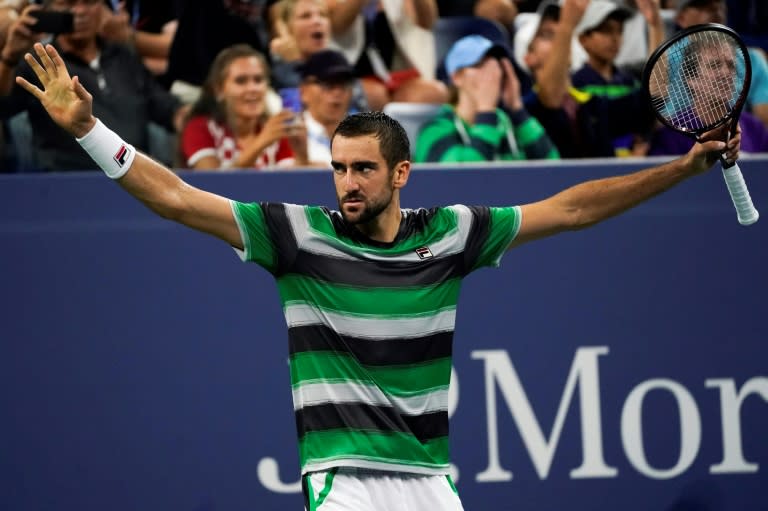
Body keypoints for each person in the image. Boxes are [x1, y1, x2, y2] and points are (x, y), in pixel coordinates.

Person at [17, 41, 740, 511]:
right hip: (342, 480)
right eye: (337, 168)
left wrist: (680, 168)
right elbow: (174, 196)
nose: (346, 183)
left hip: (432, 481)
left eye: (363, 169)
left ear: (400, 172)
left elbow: (575, 207)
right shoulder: (293, 233)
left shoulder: (454, 232)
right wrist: (88, 129)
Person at [0, 0, 183, 171]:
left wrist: (199, 117)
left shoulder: (124, 57)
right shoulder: (39, 62)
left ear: (103, 7)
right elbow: (3, 105)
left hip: (133, 179)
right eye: (69, 3)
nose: (80, 11)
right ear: (51, 9)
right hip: (66, 182)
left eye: (88, 2)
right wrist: (8, 58)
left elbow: (168, 108)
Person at [515, 0, 655, 158]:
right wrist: (567, 25)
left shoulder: (589, 104)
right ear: (528, 58)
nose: (561, 40)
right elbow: (551, 98)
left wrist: (655, 26)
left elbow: (651, 99)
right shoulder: (525, 107)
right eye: (548, 35)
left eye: (561, 33)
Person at [414, 34, 558, 163]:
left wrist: (517, 109)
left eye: (496, 65)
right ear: (457, 77)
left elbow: (552, 166)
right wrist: (486, 111)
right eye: (479, 65)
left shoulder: (507, 124)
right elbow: (462, 183)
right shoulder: (434, 130)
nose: (492, 74)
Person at [179, 44, 309, 170]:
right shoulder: (200, 128)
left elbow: (290, 185)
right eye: (241, 81)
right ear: (219, 90)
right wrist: (262, 141)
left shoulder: (273, 130)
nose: (252, 89)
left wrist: (302, 156)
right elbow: (210, 184)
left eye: (258, 80)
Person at [571, 0, 663, 156]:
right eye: (606, 31)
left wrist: (655, 26)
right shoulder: (576, 83)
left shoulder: (630, 82)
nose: (615, 38)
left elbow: (655, 98)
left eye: (619, 31)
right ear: (583, 39)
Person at [648, 37, 768, 155]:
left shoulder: (755, 128)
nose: (726, 73)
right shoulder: (670, 136)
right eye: (714, 65)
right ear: (691, 79)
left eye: (731, 65)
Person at [327, 0, 449, 111]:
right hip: (352, 72)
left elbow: (427, 22)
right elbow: (336, 25)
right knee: (375, 95)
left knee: (433, 93)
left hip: (397, 72)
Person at [674, 0, 768, 128]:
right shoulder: (668, 59)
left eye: (719, 3)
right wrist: (655, 26)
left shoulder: (753, 58)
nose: (715, 9)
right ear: (681, 18)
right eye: (702, 6)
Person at [269, 0, 368, 113]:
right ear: (288, 28)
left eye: (323, 15)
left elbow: (362, 118)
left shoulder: (342, 67)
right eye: (305, 16)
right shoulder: (277, 71)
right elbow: (292, 113)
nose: (317, 21)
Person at [296, 48, 356, 165]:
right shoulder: (291, 137)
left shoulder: (365, 136)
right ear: (304, 92)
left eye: (344, 84)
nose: (337, 92)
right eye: (328, 84)